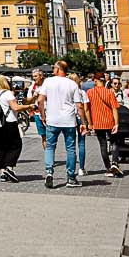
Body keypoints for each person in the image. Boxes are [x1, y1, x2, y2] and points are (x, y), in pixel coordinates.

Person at [37, 60, 88, 189]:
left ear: (59, 69)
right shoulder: (72, 84)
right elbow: (79, 106)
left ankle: (49, 172)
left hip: (52, 119)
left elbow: (40, 100)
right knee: (70, 149)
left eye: (54, 67)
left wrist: (43, 115)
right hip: (69, 120)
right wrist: (83, 122)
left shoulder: (48, 82)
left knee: (50, 147)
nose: (53, 69)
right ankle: (71, 177)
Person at [0, 75, 31, 183]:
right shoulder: (7, 93)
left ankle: (2, 173)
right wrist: (30, 106)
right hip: (9, 123)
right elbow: (15, 107)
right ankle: (9, 168)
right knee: (16, 146)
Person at [87, 75, 124, 178]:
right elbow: (115, 109)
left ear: (95, 80)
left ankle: (108, 169)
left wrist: (90, 123)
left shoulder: (90, 92)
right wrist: (117, 123)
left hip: (97, 123)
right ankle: (114, 163)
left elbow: (87, 109)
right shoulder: (109, 92)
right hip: (110, 122)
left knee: (103, 145)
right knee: (114, 142)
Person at [69, 74, 89, 176]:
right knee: (81, 143)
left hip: (70, 119)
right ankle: (81, 168)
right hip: (80, 119)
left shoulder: (67, 92)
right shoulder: (82, 92)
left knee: (70, 145)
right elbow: (85, 108)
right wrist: (86, 122)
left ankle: (71, 169)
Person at [27, 69, 47, 150]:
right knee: (44, 136)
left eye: (36, 76)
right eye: (33, 77)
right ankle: (48, 156)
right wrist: (34, 96)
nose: (34, 78)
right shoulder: (32, 87)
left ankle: (50, 153)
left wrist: (42, 95)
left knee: (51, 136)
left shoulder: (47, 85)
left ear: (41, 76)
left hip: (49, 113)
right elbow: (28, 101)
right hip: (38, 114)